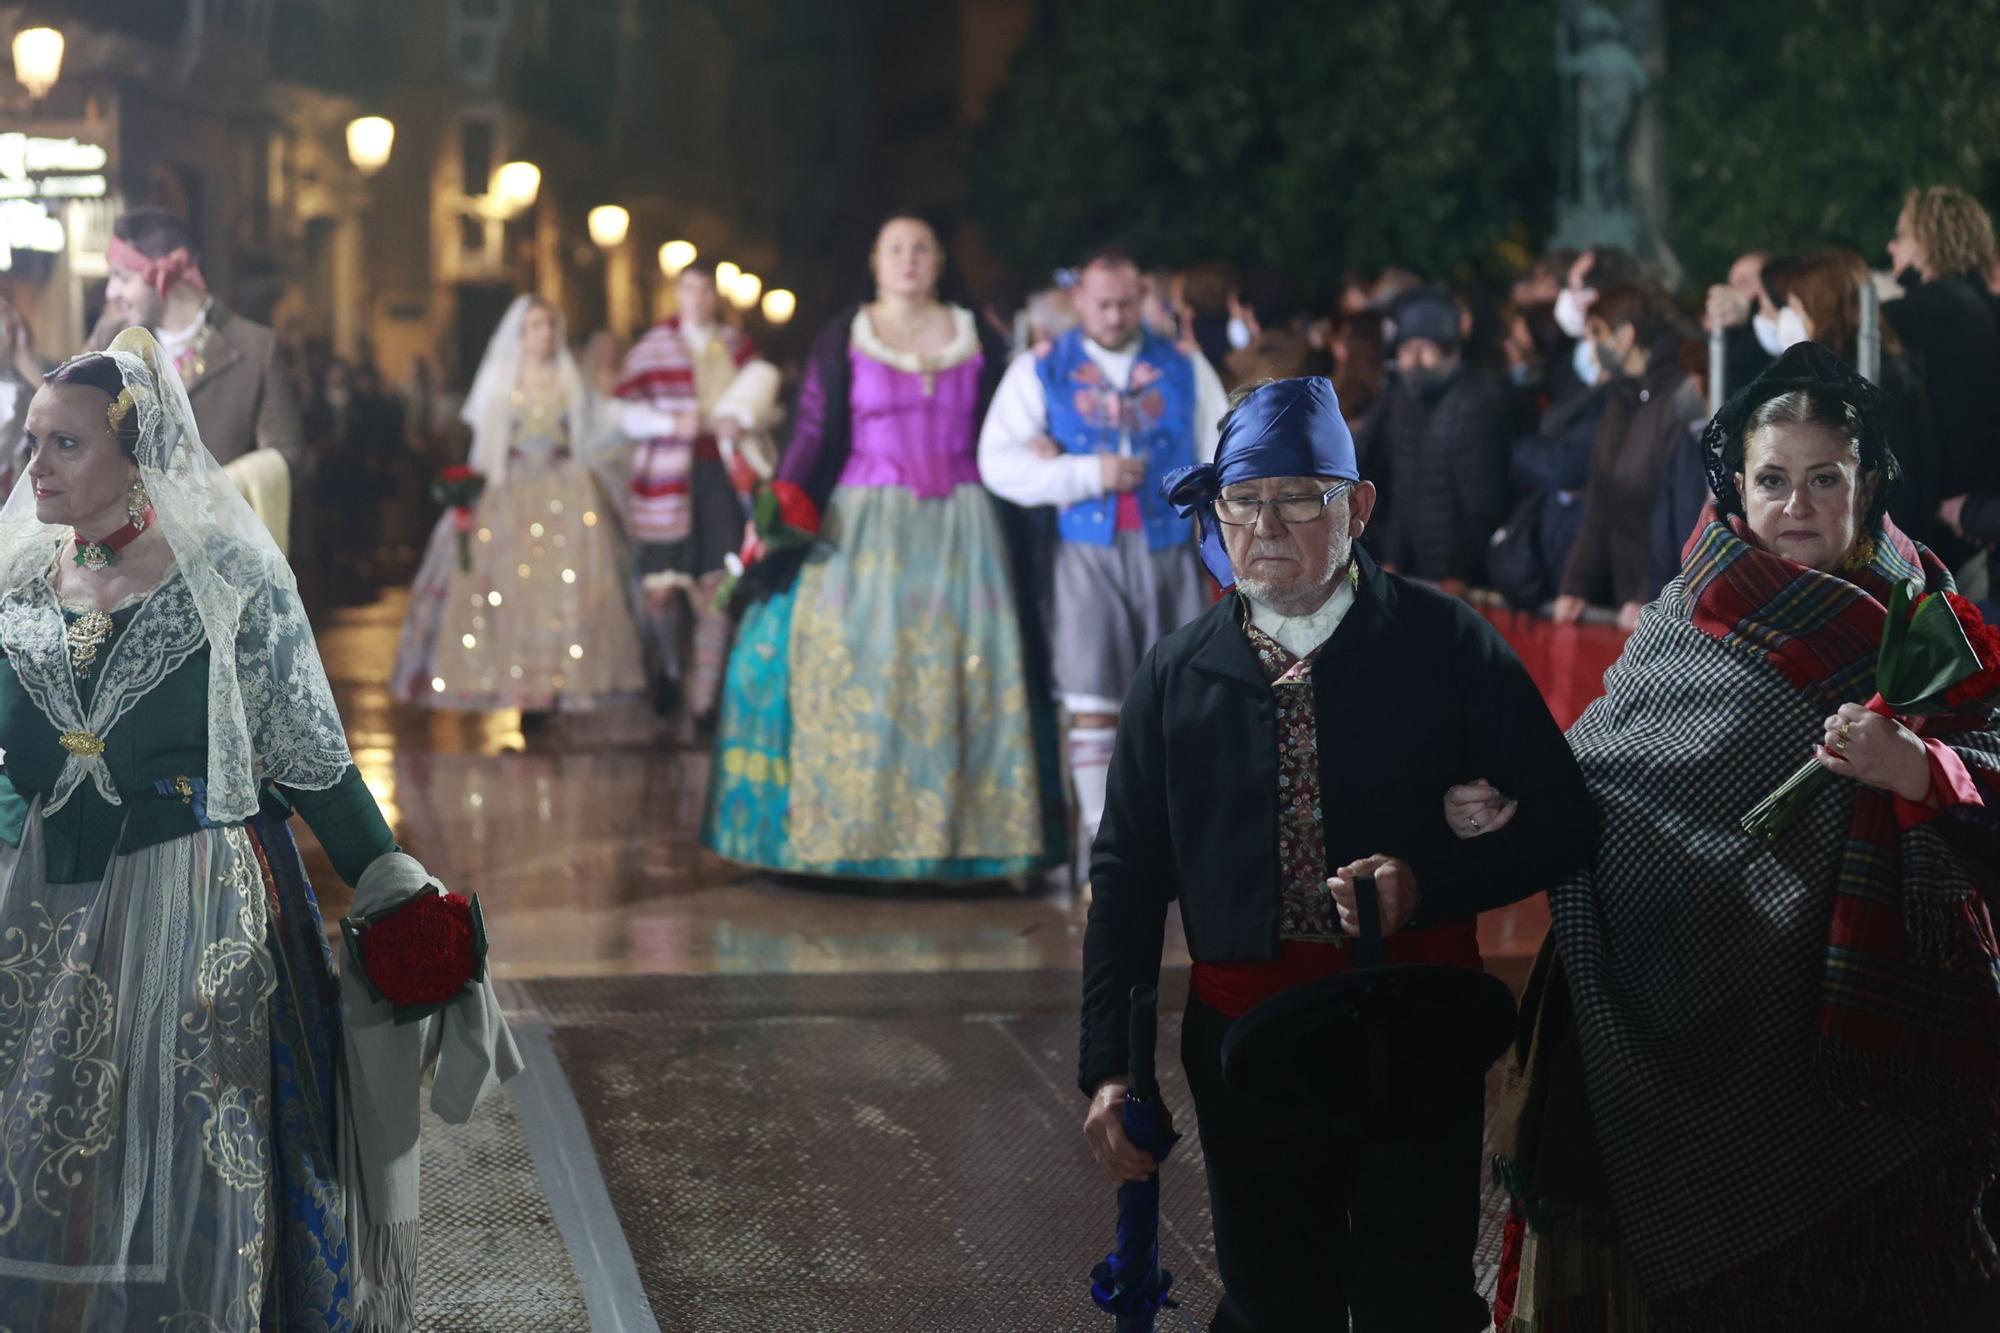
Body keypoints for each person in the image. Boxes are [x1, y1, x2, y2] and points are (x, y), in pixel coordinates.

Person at [0, 328, 517, 1327]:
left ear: (136, 451)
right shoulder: (17, 583)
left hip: (190, 906)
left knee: (185, 1142)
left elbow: (312, 756)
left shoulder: (228, 579)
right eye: (30, 441)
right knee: (41, 1143)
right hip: (39, 915)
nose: (35, 465)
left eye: (63, 444)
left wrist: (397, 888)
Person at [1485, 342, 2000, 1332]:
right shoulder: (1687, 610)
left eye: (1823, 479)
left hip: (1873, 1054)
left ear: (1870, 483)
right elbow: (1602, 775)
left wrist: (1919, 771)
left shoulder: (1931, 617)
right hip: (1693, 1006)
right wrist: (1508, 800)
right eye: (1770, 479)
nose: (1794, 504)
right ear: (1733, 483)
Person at [1080, 375, 1596, 1332]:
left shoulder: (1446, 644)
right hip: (1246, 1040)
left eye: (1298, 498)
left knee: (1418, 1298)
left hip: (1416, 1027)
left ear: (1356, 507)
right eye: (1243, 500)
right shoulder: (1176, 673)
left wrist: (1428, 882)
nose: (1266, 525)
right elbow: (1126, 875)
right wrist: (1111, 1067)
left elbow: (1566, 820)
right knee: (1277, 1299)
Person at [704, 213, 1062, 880]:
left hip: (964, 527)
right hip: (861, 527)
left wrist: (1040, 439)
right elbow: (812, 431)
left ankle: (975, 839)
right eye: (895, 248)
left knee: (965, 670)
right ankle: (848, 835)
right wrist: (775, 506)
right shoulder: (846, 336)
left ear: (937, 261)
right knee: (853, 661)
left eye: (921, 248)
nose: (908, 259)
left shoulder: (975, 333)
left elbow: (1012, 411)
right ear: (874, 260)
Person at [978, 247, 1228, 861]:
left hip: (1169, 547)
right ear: (1078, 302)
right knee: (1092, 696)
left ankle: (1175, 841)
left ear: (1142, 297)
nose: (1115, 317)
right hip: (1084, 552)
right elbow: (996, 462)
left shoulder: (1183, 366)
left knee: (1177, 694)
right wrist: (1084, 473)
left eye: (1125, 304)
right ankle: (1102, 843)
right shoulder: (1044, 368)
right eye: (1102, 305)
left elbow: (1225, 447)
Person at [391, 294, 646, 713]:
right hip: (512, 492)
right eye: (536, 326)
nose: (545, 333)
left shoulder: (568, 379)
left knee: (565, 589)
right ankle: (523, 687)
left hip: (566, 491)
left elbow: (588, 436)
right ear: (521, 334)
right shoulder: (501, 381)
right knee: (509, 590)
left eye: (550, 325)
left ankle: (555, 685)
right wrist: (472, 500)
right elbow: (488, 448)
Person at [615, 262, 781, 723]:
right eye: (689, 289)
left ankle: (705, 700)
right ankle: (671, 667)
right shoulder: (653, 349)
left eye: (706, 290)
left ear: (716, 296)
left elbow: (767, 405)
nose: (698, 298)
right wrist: (669, 424)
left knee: (716, 590)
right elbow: (622, 411)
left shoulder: (737, 349)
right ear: (678, 294)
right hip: (667, 481)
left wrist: (743, 418)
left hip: (720, 480)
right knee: (662, 593)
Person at [99, 206, 305, 550]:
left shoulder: (254, 347)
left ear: (163, 275)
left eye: (122, 277)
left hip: (221, 553)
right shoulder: (114, 342)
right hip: (130, 555)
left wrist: (216, 488)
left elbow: (287, 454)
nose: (110, 292)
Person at [1552, 282, 1701, 629]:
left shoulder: (1677, 400)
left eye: (1598, 334)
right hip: (1624, 601)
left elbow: (1677, 513)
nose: (1592, 347)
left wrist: (1649, 596)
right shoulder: (1618, 398)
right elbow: (1598, 503)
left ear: (1626, 336)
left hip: (1661, 608)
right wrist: (1575, 585)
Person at [1355, 286, 1512, 584]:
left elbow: (1482, 503)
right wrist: (1394, 557)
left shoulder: (1475, 403)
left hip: (1455, 573)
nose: (1412, 362)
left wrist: (1460, 572)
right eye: (1406, 351)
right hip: (1413, 563)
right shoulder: (1402, 398)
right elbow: (1401, 485)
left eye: (1423, 350)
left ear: (1450, 351)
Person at [1884, 186, 2000, 565]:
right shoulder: (1988, 308)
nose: (1890, 247)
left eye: (1901, 236)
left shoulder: (1908, 318)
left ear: (1928, 241)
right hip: (1980, 519)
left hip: (1936, 527)